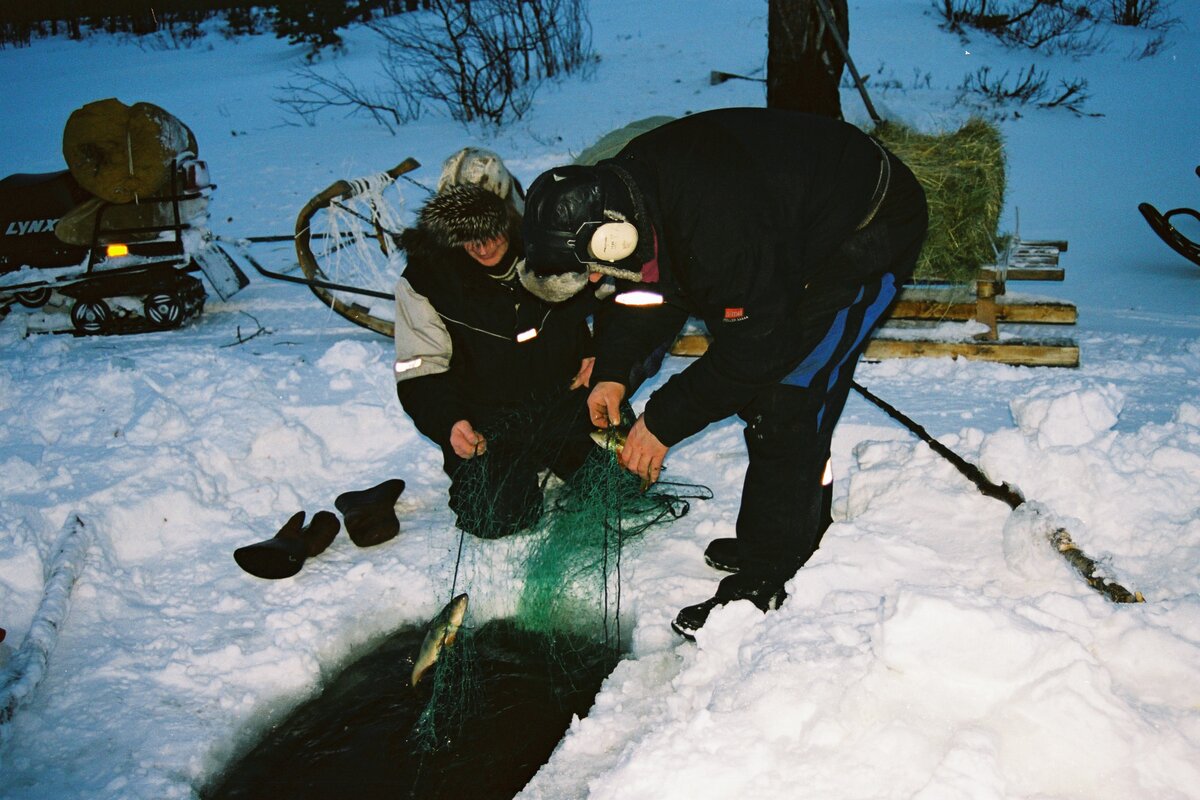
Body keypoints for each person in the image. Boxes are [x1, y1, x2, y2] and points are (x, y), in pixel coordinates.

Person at [517, 108, 929, 637]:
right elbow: (649, 289)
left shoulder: (719, 224)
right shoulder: (624, 193)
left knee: (790, 395)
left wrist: (662, 422)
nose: (597, 278)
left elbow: (757, 348)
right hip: (785, 222)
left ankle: (771, 569)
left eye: (594, 269)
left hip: (866, 230)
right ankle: (779, 531)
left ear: (610, 236)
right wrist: (615, 370)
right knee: (763, 389)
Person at [393, 148, 600, 539]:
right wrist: (449, 423)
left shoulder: (554, 240)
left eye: (490, 230)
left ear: (510, 213)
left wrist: (602, 353)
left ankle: (562, 455)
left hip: (566, 400)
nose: (483, 247)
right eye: (467, 237)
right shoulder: (425, 279)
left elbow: (623, 295)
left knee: (623, 481)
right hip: (488, 423)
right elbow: (418, 368)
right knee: (494, 517)